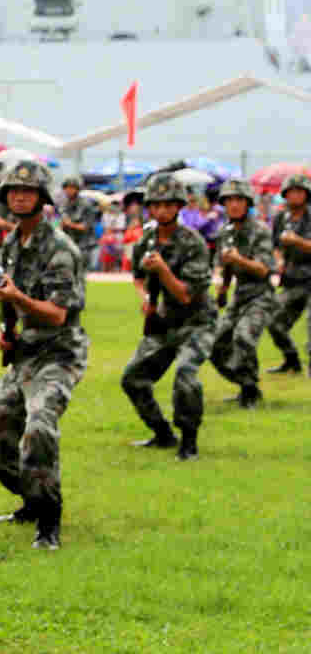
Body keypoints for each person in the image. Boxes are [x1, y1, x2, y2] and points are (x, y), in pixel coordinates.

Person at [0, 161, 88, 551]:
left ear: (42, 199)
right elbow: (8, 301)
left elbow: (57, 314)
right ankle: (31, 498)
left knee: (39, 427)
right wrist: (6, 333)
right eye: (12, 191)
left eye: (28, 191)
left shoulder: (61, 249)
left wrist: (18, 300)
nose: (19, 197)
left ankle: (48, 521)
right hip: (26, 353)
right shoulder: (10, 246)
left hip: (59, 353)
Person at [121, 173, 217, 461]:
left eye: (168, 205)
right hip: (165, 322)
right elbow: (137, 276)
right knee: (133, 379)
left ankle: (189, 442)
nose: (162, 210)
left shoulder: (193, 243)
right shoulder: (146, 240)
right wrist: (146, 301)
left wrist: (162, 270)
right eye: (156, 205)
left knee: (186, 376)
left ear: (179, 207)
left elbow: (187, 295)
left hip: (197, 321)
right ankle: (162, 434)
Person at [209, 179, 276, 407]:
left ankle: (250, 391)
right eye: (229, 200)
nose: (234, 205)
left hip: (261, 296)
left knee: (243, 338)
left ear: (248, 203)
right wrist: (223, 288)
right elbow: (227, 264)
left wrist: (239, 259)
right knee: (215, 343)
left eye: (239, 200)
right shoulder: (225, 232)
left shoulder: (260, 231)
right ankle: (246, 386)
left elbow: (264, 269)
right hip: (239, 296)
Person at [265, 174, 311, 376]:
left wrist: (297, 241)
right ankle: (291, 360)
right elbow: (275, 245)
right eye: (291, 192)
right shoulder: (280, 218)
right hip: (292, 279)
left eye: (299, 191)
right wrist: (278, 261)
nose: (295, 195)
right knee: (273, 320)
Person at [55, 175, 99, 270]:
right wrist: (61, 226)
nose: (69, 190)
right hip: (68, 243)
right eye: (67, 188)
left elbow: (86, 227)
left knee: (80, 274)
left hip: (84, 245)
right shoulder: (63, 205)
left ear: (77, 189)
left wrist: (70, 224)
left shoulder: (86, 205)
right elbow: (61, 225)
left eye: (72, 188)